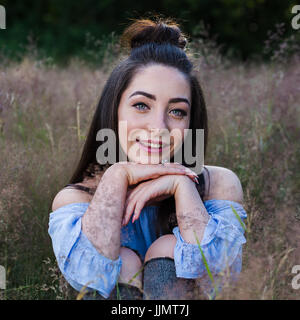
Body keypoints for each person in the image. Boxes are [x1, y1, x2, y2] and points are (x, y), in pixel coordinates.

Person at [48, 16, 247, 300]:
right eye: (141, 105)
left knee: (169, 249)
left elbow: (217, 279)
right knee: (122, 262)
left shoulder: (220, 184)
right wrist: (118, 175)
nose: (159, 127)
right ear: (113, 110)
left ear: (191, 123)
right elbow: (88, 274)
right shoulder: (76, 200)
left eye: (177, 111)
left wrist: (182, 186)